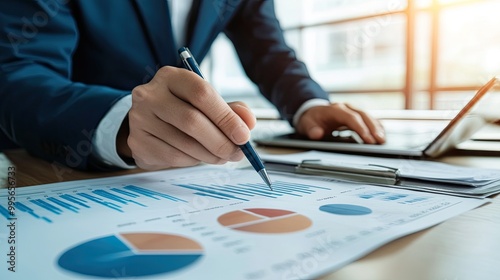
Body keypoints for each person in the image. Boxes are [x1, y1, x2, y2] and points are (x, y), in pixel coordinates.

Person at [0, 0, 385, 171]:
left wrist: (308, 104)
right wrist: (120, 122)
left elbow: (269, 48)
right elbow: (17, 70)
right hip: (51, 164)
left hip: (180, 176)